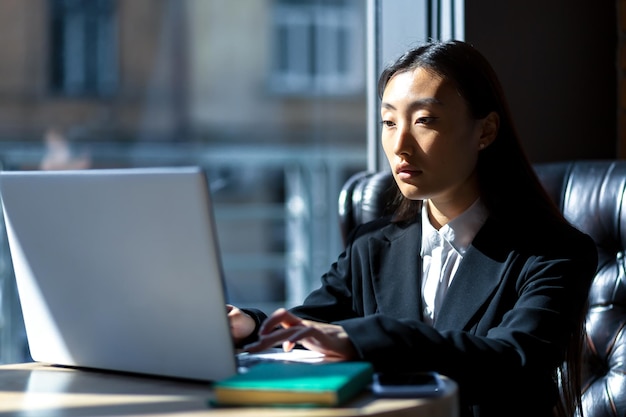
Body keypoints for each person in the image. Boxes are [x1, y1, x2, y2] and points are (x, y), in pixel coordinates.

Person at [228, 39, 597, 417]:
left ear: (485, 131)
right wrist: (251, 326)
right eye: (389, 122)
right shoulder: (372, 246)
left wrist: (369, 338)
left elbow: (513, 360)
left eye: (424, 120)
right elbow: (314, 326)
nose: (400, 144)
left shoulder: (555, 252)